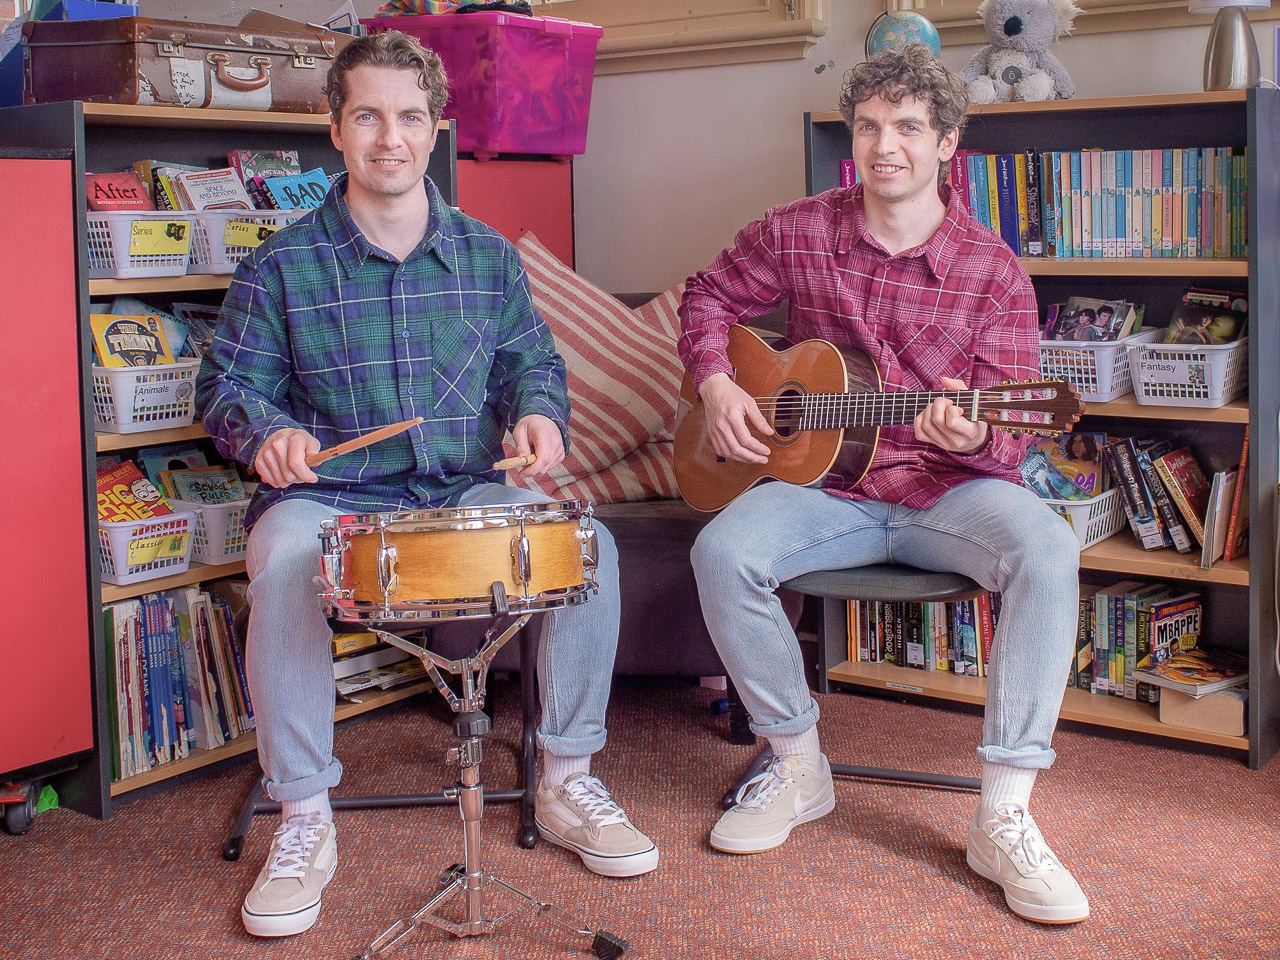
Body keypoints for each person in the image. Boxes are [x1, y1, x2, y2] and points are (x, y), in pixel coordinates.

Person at [195, 30, 657, 939]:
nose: (390, 137)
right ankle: (303, 818)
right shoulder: (280, 263)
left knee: (585, 542)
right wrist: (270, 434)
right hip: (333, 500)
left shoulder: (486, 256)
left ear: (436, 126)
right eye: (367, 115)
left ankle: (567, 778)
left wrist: (539, 416)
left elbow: (534, 366)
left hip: (465, 491)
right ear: (335, 127)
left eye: (409, 117)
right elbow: (227, 389)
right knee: (286, 561)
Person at [677, 45, 1088, 925]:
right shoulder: (799, 229)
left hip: (947, 492)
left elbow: (1010, 450)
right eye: (868, 127)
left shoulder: (993, 274)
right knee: (721, 551)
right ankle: (796, 762)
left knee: (1049, 546)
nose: (884, 146)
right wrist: (717, 383)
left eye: (907, 127)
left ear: (947, 144)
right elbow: (708, 295)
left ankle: (1005, 811)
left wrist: (975, 433)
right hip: (830, 489)